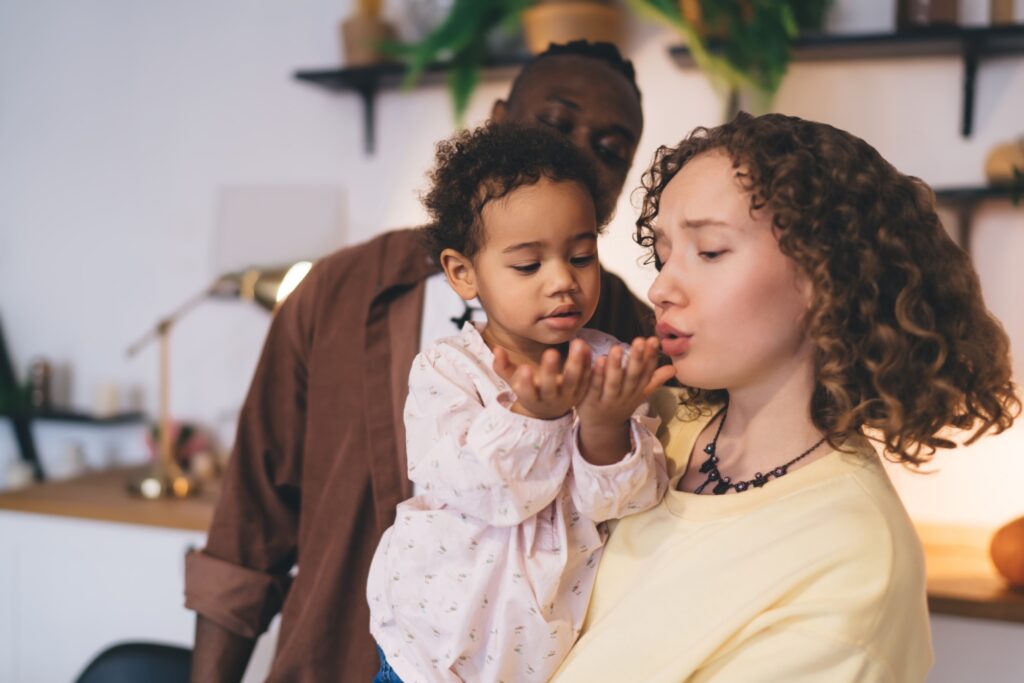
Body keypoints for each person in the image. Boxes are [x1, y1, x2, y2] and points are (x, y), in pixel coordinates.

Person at [185, 41, 651, 682]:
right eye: (554, 123)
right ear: (497, 120)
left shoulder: (628, 333)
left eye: (611, 148)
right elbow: (251, 518)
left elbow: (638, 516)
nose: (576, 155)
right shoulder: (339, 290)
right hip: (332, 663)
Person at [552, 112, 1021, 682]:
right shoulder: (639, 427)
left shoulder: (853, 564)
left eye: (710, 251)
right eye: (664, 253)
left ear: (826, 273)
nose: (660, 288)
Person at [366, 123, 672, 683]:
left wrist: (604, 426)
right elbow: (480, 491)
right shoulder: (447, 370)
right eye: (529, 265)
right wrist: (538, 416)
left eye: (581, 256)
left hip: (538, 657)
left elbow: (628, 505)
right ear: (463, 273)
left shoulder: (610, 367)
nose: (563, 281)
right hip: (428, 655)